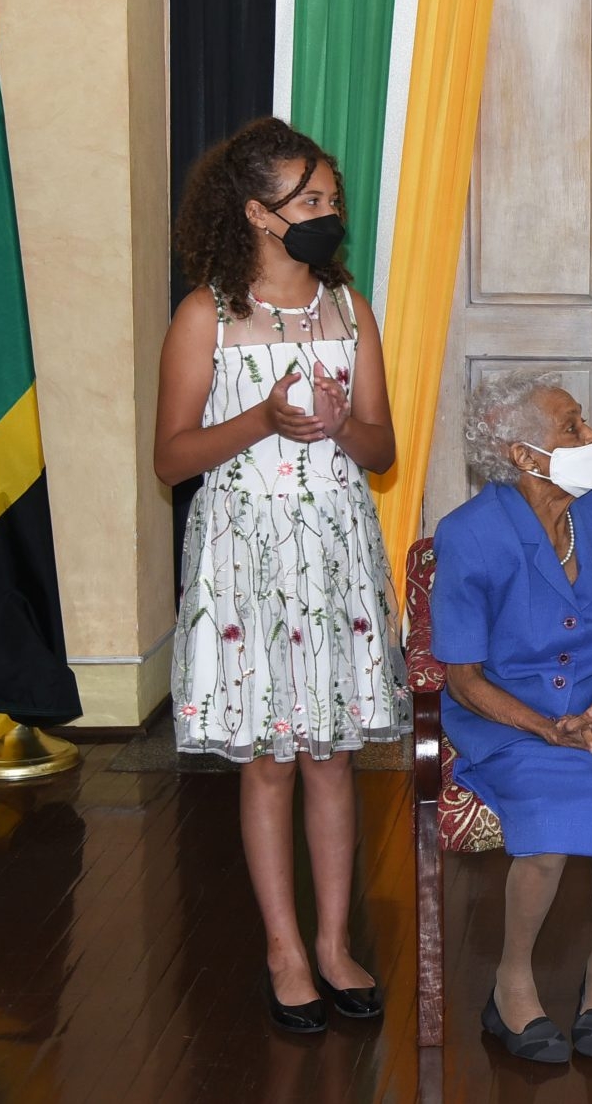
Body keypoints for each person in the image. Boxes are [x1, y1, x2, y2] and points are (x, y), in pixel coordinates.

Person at [154, 117, 403, 1033]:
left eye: (332, 199)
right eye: (309, 202)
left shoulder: (348, 311)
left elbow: (382, 449)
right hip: (245, 557)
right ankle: (284, 948)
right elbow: (171, 459)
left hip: (333, 554)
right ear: (259, 213)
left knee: (332, 757)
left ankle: (335, 941)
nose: (327, 214)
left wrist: (340, 422)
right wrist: (262, 418)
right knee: (268, 762)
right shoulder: (206, 316)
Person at [431, 371, 592, 1064]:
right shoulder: (469, 538)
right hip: (506, 714)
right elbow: (462, 676)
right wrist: (545, 728)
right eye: (571, 427)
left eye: (584, 422)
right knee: (548, 822)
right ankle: (511, 979)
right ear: (524, 455)